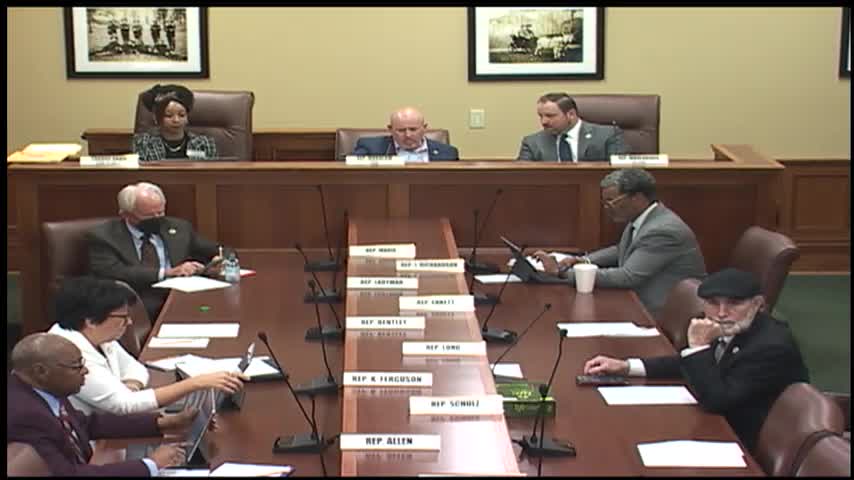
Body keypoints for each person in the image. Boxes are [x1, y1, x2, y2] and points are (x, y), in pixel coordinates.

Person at [581, 268, 809, 453]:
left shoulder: (770, 347)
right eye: (713, 303)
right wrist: (627, 366)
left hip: (746, 442)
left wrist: (699, 347)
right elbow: (688, 362)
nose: (721, 313)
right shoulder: (733, 326)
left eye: (734, 304)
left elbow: (717, 400)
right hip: (721, 422)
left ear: (758, 304)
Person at [47, 276, 247, 416]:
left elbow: (135, 368)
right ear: (90, 320)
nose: (129, 323)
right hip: (93, 443)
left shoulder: (97, 334)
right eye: (123, 317)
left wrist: (131, 386)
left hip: (112, 424)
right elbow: (123, 405)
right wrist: (195, 383)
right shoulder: (66, 351)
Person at [7, 333, 198, 475]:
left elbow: (86, 424)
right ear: (41, 371)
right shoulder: (24, 415)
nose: (85, 372)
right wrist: (151, 464)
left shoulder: (42, 388)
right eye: (76, 366)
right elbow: (68, 474)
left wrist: (161, 423)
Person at [533, 168, 705, 315]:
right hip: (636, 301)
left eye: (611, 201)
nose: (606, 208)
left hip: (658, 313)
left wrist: (562, 273)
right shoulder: (645, 218)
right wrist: (584, 260)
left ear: (637, 198)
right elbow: (621, 249)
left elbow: (627, 277)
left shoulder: (663, 231)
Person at [87, 181, 232, 320]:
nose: (157, 219)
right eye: (149, 216)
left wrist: (218, 262)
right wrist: (167, 272)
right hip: (139, 296)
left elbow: (222, 250)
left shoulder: (179, 228)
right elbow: (113, 271)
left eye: (160, 213)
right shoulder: (104, 236)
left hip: (180, 292)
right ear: (126, 214)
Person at [517, 92, 628, 162]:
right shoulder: (532, 143)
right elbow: (521, 177)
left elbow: (621, 173)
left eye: (550, 116)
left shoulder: (608, 135)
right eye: (541, 116)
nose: (544, 121)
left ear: (571, 114)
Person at [132, 84, 217, 161]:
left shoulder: (204, 143)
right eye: (169, 115)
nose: (176, 120)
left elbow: (213, 171)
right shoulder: (144, 143)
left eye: (181, 115)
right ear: (156, 118)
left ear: (187, 117)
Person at [351, 107, 459, 162]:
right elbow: (348, 165)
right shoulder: (371, 147)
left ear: (424, 128)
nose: (408, 135)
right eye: (401, 130)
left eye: (413, 129)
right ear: (390, 130)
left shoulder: (447, 153)